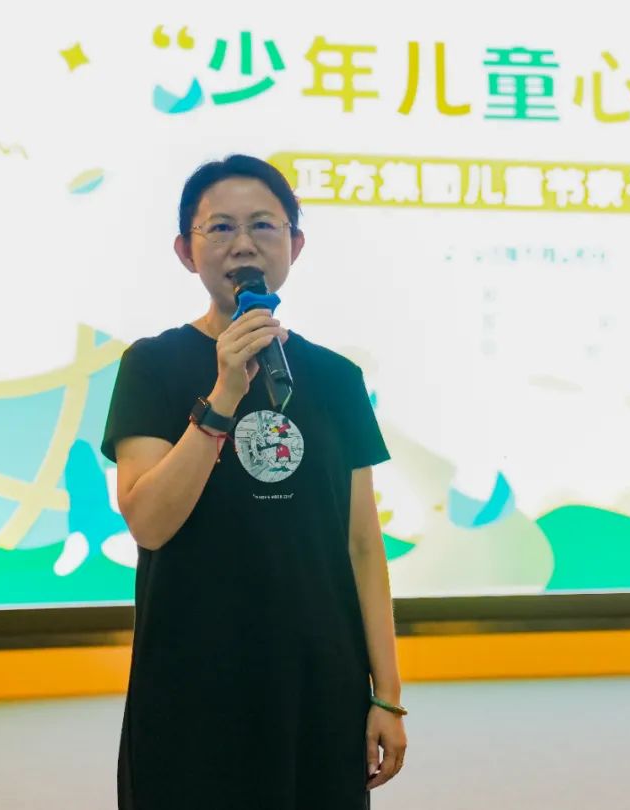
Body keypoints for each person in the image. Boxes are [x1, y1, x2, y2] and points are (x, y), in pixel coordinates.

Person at [101, 154, 407, 809]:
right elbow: (149, 522)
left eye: (264, 225)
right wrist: (224, 393)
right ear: (186, 252)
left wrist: (387, 695)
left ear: (295, 245)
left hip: (320, 681)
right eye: (220, 228)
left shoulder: (337, 378)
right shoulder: (151, 366)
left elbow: (362, 546)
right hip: (193, 681)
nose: (243, 244)